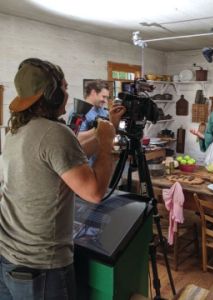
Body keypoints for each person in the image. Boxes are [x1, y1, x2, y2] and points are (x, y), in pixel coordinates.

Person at [0, 58, 125, 299]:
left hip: (8, 256)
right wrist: (108, 143)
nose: (67, 95)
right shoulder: (55, 133)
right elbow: (94, 193)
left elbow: (69, 153)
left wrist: (106, 128)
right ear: (52, 94)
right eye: (64, 88)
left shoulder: (17, 130)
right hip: (42, 266)